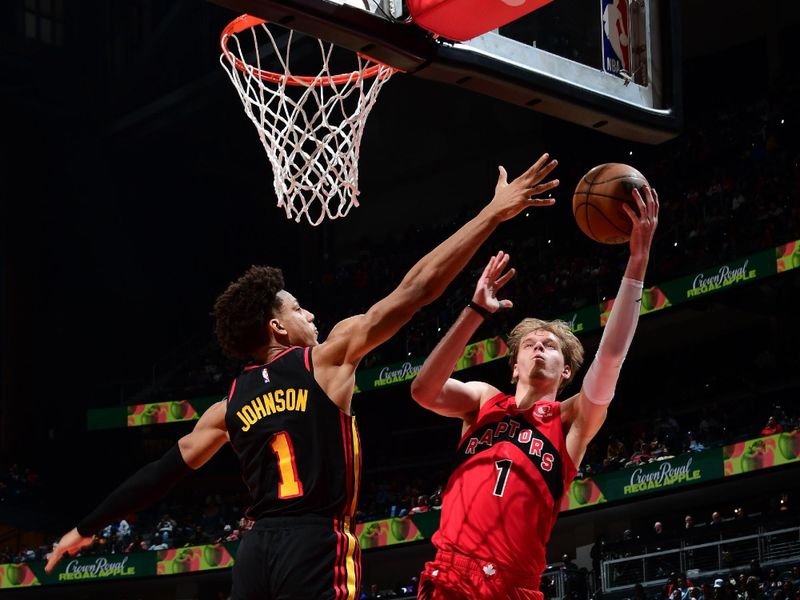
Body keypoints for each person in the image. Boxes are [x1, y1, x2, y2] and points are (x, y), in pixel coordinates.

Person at [44, 153, 561, 599]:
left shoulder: (227, 406)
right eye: (298, 309)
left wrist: (86, 527)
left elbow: (159, 474)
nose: (310, 315)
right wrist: (493, 214)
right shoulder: (327, 359)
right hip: (315, 543)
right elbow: (417, 289)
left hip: (255, 552)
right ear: (277, 327)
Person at [410, 185, 659, 598]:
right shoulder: (482, 401)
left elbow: (611, 358)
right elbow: (423, 390)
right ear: (514, 367)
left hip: (513, 584)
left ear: (566, 373)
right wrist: (474, 312)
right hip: (451, 574)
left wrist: (637, 261)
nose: (540, 346)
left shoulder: (571, 420)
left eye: (551, 346)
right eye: (530, 344)